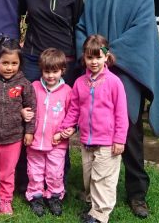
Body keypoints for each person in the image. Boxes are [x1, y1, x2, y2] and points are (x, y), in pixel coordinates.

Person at [74, 0, 159, 219]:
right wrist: (91, 55)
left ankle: (137, 193)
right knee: (95, 131)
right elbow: (81, 28)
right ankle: (94, 190)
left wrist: (108, 54)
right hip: (94, 75)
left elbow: (141, 32)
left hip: (126, 75)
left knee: (129, 133)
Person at [57, 35, 128, 223]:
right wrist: (68, 127)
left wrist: (119, 139)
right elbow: (73, 109)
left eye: (98, 57)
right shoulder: (80, 83)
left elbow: (121, 114)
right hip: (87, 140)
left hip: (108, 142)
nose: (94, 62)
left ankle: (100, 215)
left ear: (106, 57)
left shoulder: (114, 83)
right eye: (90, 58)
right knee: (89, 177)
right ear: (84, 58)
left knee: (102, 179)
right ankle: (93, 207)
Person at [0, 39, 36, 216]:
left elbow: (32, 108)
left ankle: (5, 200)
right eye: (5, 63)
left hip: (13, 138)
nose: (9, 67)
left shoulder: (24, 84)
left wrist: (29, 131)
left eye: (14, 63)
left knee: (7, 172)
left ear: (20, 64)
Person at [25, 48, 72, 217]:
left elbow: (72, 115)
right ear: (41, 70)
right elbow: (26, 106)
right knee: (34, 170)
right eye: (47, 71)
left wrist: (68, 130)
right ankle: (36, 196)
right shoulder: (34, 87)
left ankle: (54, 196)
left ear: (62, 71)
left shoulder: (67, 91)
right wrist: (24, 113)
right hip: (35, 140)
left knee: (55, 172)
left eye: (55, 72)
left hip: (56, 142)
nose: (51, 76)